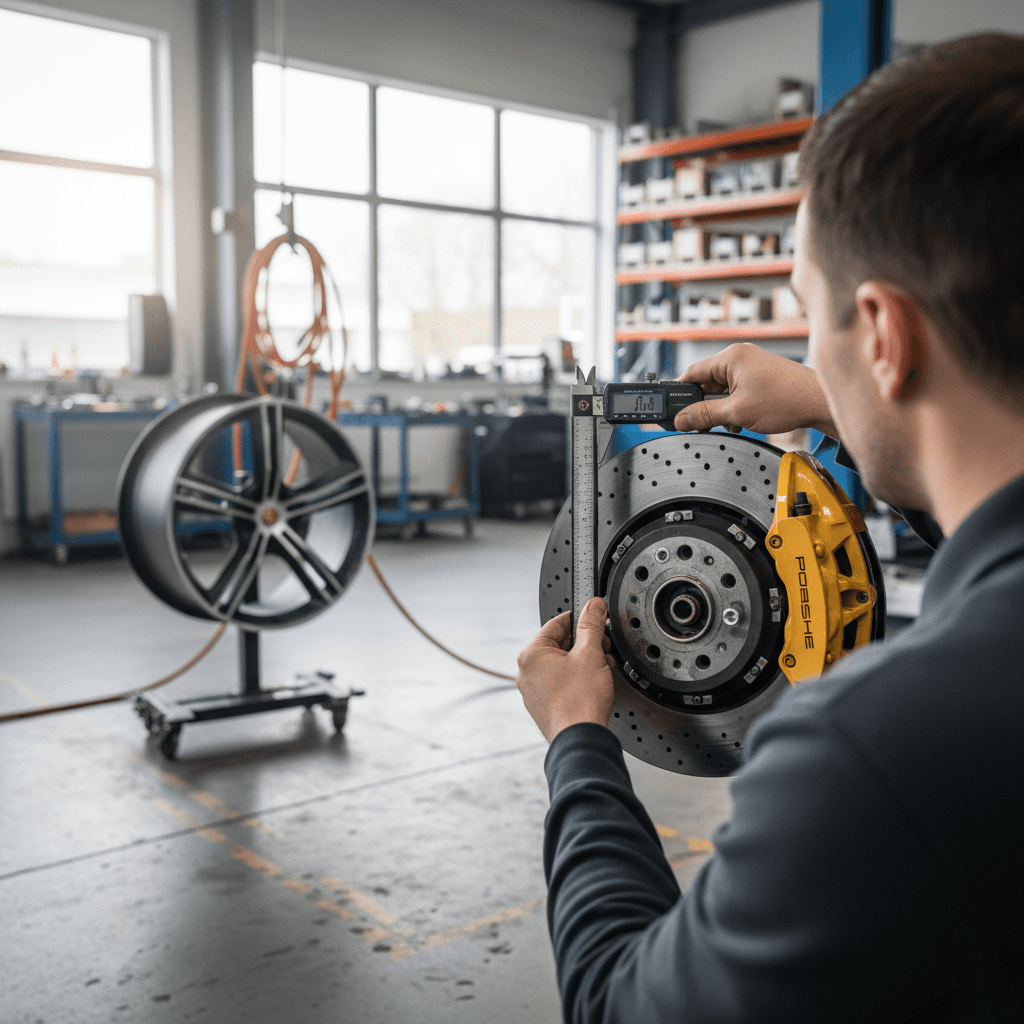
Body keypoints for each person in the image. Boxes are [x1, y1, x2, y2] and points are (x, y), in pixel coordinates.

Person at [516, 33, 1023, 1024]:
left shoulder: (874, 750)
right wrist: (835, 397)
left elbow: (622, 1006)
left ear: (882, 335)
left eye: (812, 315)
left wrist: (578, 740)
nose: (811, 351)